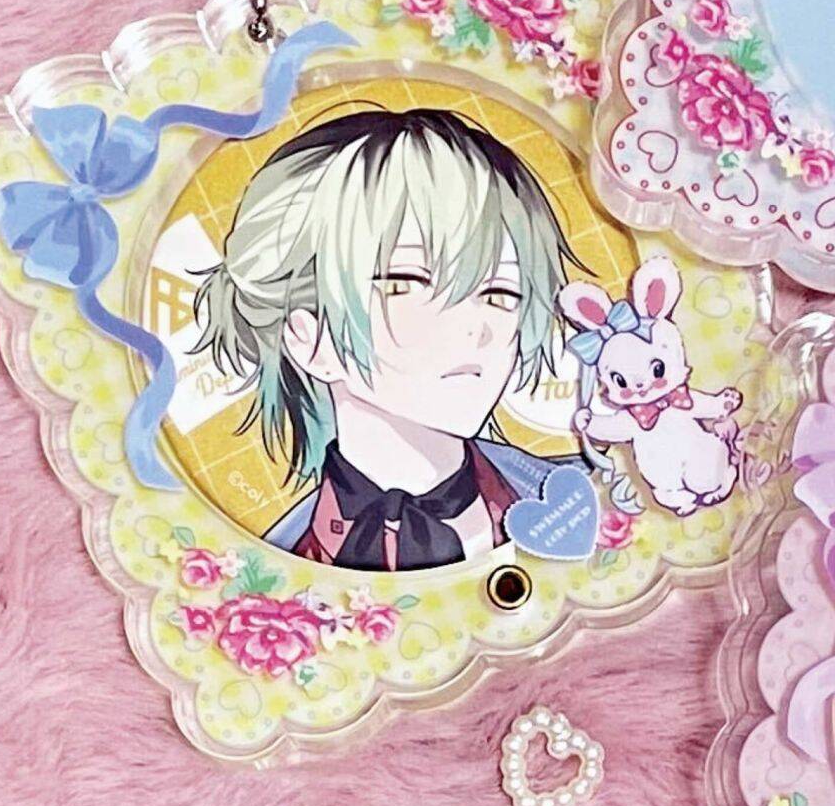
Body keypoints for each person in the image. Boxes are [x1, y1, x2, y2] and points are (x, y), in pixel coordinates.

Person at [194, 108, 584, 571]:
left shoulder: (580, 503)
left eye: (500, 293)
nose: (477, 327)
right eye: (407, 283)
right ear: (309, 338)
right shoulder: (265, 563)